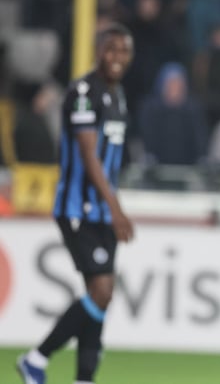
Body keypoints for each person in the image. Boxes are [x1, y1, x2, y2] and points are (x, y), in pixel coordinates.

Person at [17, 23, 135, 384]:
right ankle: (36, 358)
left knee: (98, 297)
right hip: (78, 208)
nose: (117, 57)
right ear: (99, 51)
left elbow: (111, 160)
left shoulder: (118, 95)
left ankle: (84, 378)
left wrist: (112, 206)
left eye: (124, 51)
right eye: (111, 49)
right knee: (102, 291)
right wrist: (115, 208)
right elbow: (88, 155)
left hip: (102, 210)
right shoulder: (84, 92)